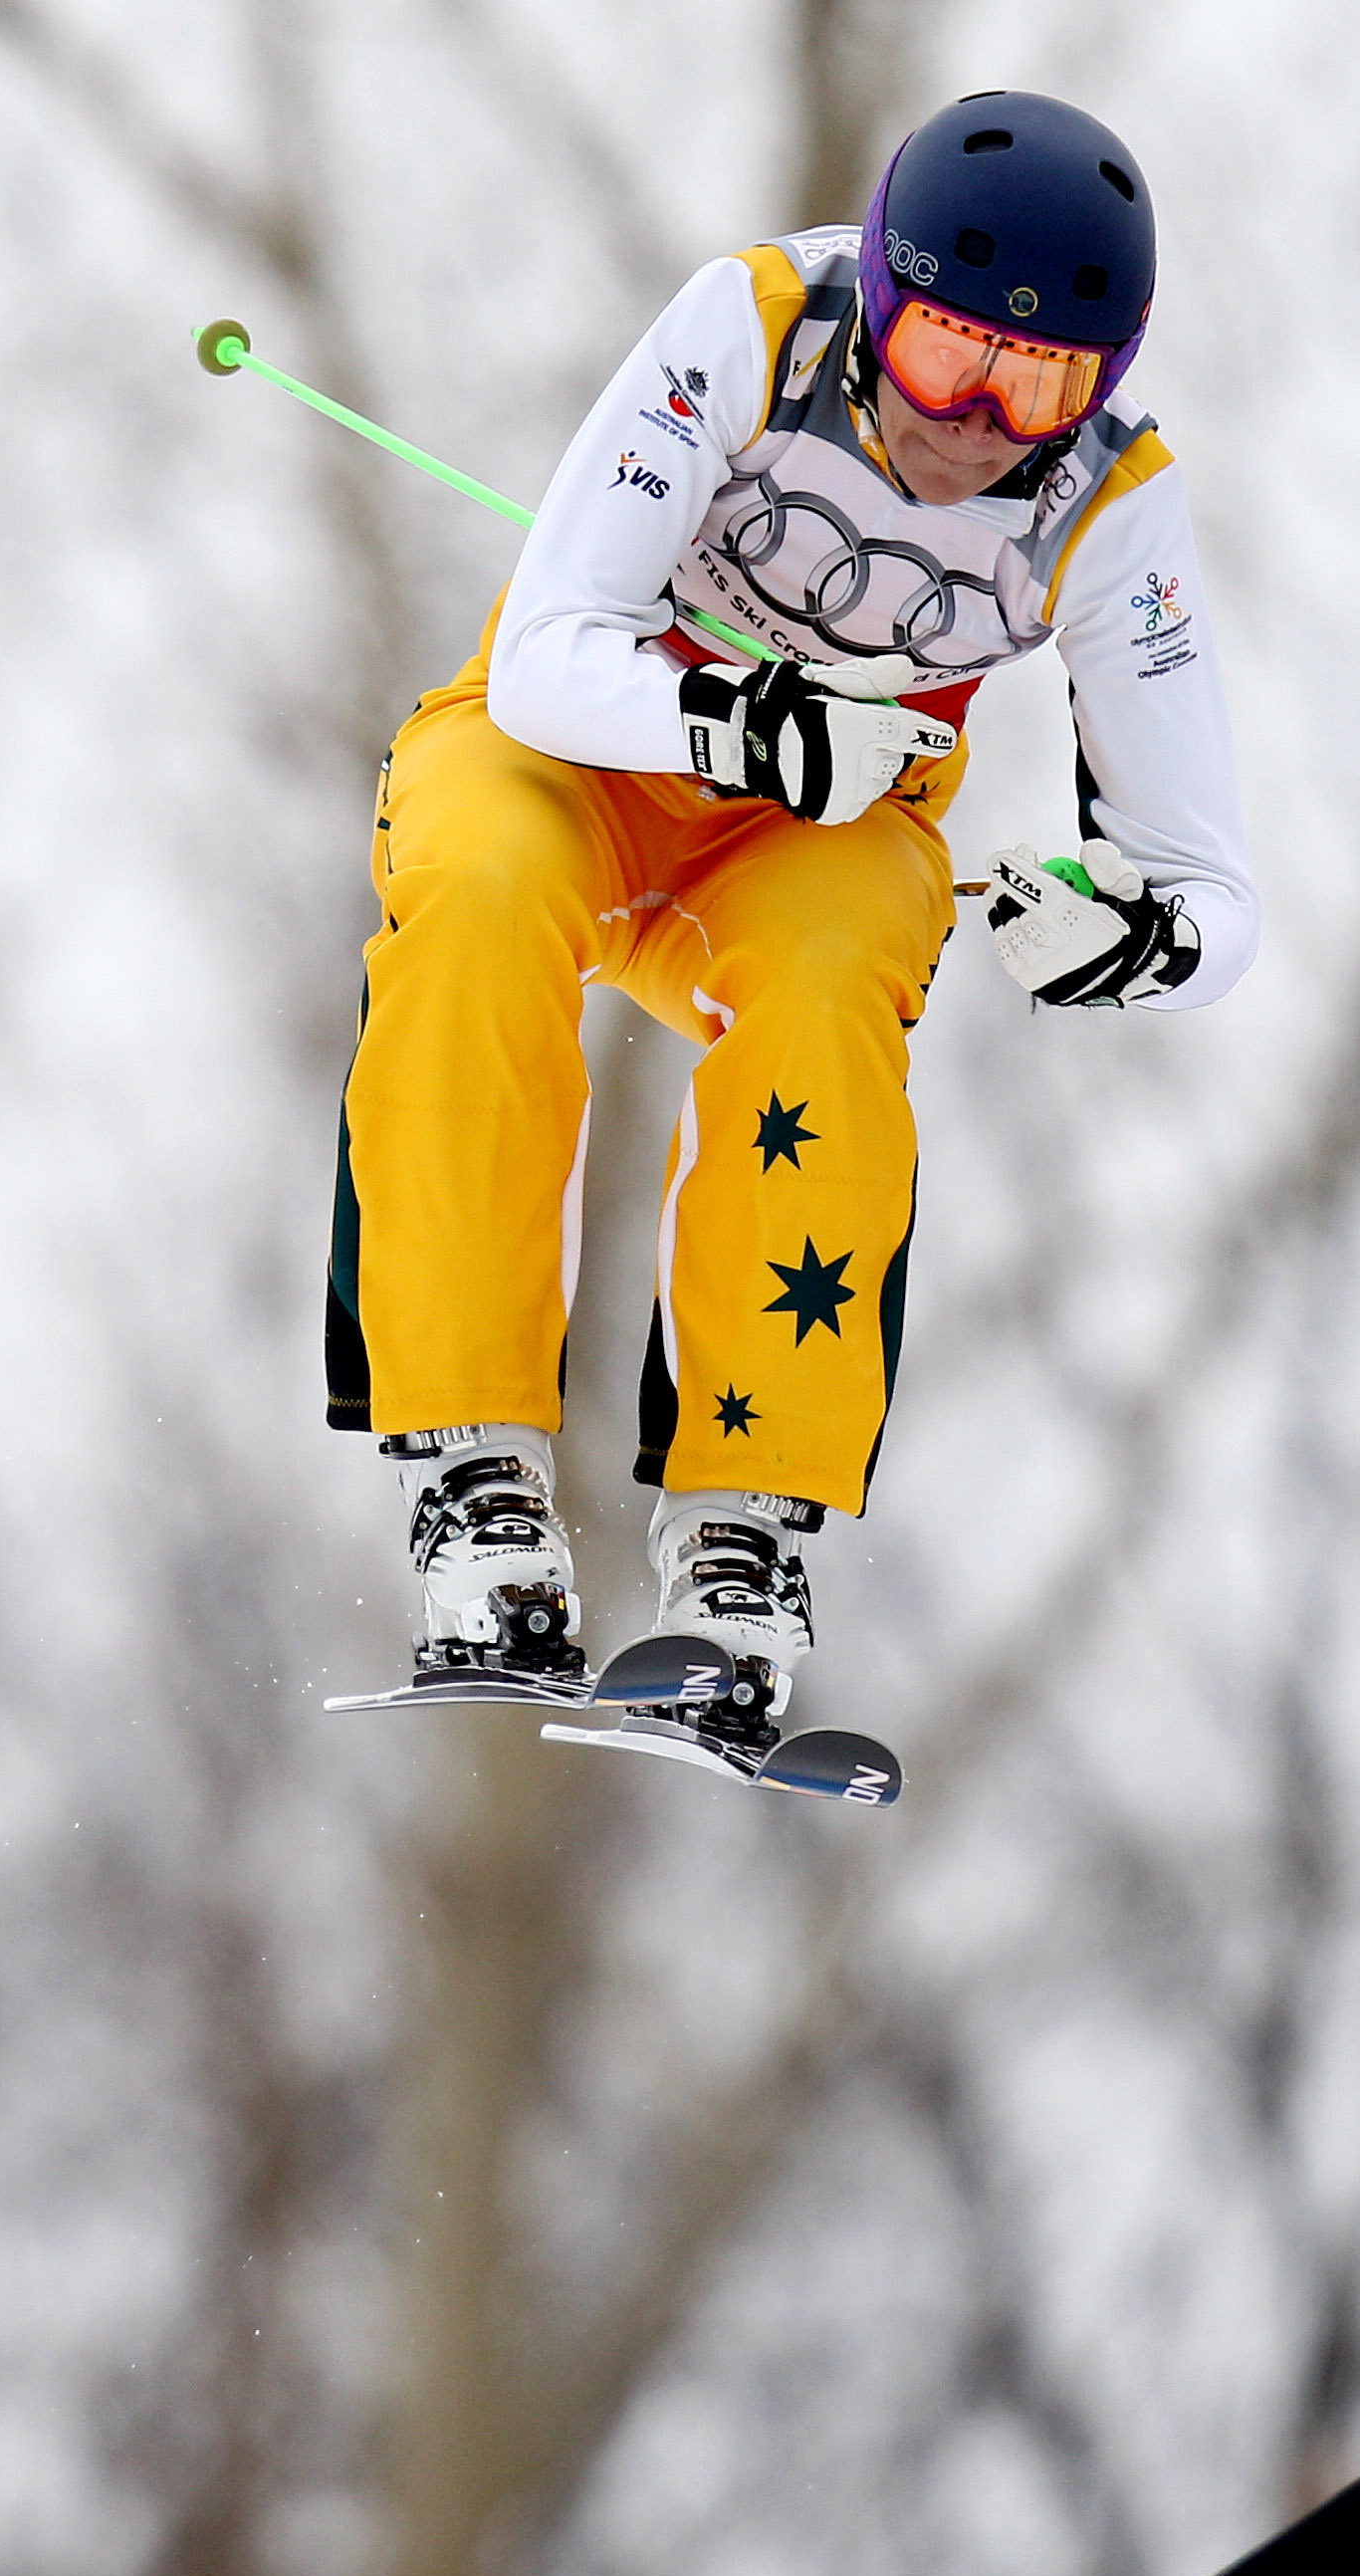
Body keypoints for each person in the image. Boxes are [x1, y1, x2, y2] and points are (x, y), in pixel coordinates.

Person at [325, 88, 1256, 1727]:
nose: (975, 416)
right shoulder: (749, 328)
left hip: (814, 842)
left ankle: (745, 1528)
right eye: (948, 353)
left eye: (1038, 378)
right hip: (575, 763)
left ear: (1101, 378)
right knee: (472, 885)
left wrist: (1140, 938)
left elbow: (1214, 891)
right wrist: (740, 724)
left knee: (836, 985)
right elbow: (549, 654)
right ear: (882, 307)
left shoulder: (1112, 505)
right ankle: (471, 1476)